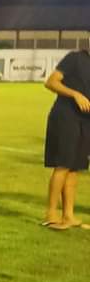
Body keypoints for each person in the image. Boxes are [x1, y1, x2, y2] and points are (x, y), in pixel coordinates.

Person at [42, 46, 90, 229]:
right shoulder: (75, 58)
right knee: (63, 164)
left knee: (75, 167)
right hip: (66, 116)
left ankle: (68, 216)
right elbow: (51, 82)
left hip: (86, 121)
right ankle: (51, 215)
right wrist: (75, 94)